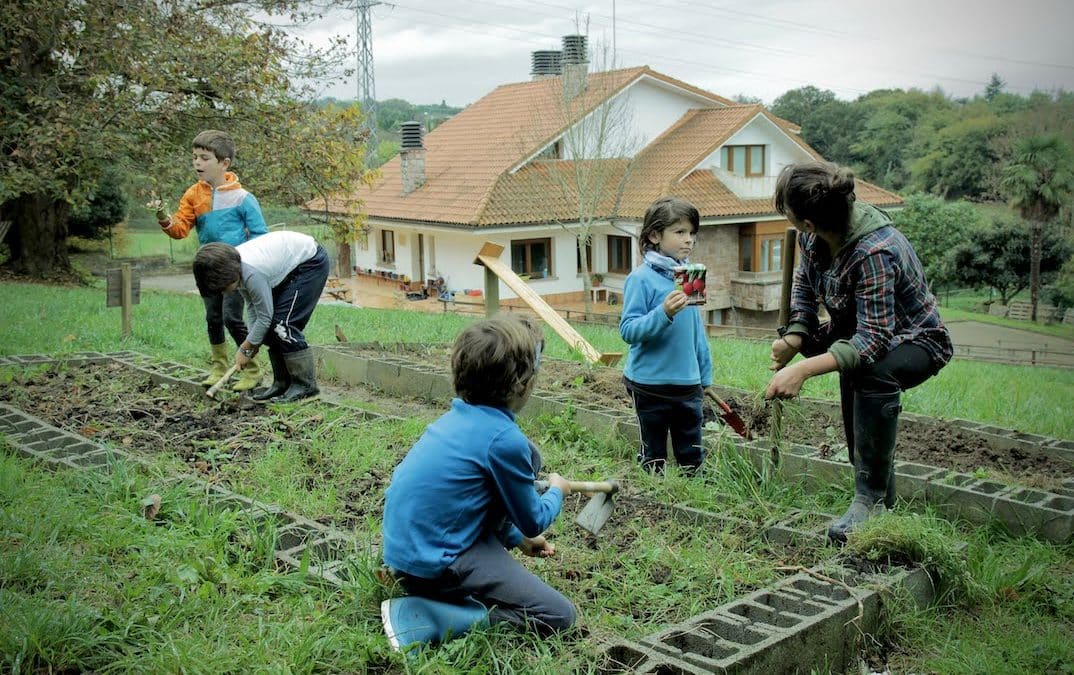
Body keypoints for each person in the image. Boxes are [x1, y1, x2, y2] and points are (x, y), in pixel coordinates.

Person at [765, 161, 952, 543]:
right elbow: (805, 283)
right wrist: (798, 336)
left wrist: (800, 371)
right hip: (859, 333)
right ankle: (882, 504)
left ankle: (869, 498)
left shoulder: (873, 251)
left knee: (869, 370)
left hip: (917, 339)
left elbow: (873, 341)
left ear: (809, 221)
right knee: (855, 371)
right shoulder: (812, 237)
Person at [379, 314, 576, 653]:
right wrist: (558, 491)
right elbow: (533, 519)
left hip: (407, 552)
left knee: (531, 455)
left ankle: (438, 593)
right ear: (522, 384)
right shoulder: (504, 441)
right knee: (558, 615)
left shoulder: (456, 420)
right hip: (435, 562)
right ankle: (433, 616)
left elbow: (479, 505)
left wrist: (516, 540)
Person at [156, 130, 268, 392]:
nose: (197, 163)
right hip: (206, 268)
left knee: (232, 318)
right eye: (195, 157)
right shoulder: (193, 195)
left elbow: (262, 236)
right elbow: (180, 229)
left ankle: (252, 369)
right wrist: (163, 216)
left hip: (233, 271)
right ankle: (218, 366)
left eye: (204, 158)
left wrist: (247, 262)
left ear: (224, 163)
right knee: (213, 318)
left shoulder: (243, 198)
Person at [619, 196, 713, 474]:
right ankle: (655, 497)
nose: (689, 240)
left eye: (692, 233)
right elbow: (629, 330)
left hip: (687, 384)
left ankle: (692, 491)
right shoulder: (640, 279)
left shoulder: (691, 275)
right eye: (680, 232)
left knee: (692, 453)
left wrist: (704, 377)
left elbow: (697, 332)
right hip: (649, 384)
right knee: (654, 455)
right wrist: (663, 313)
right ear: (655, 235)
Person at [192, 231, 329, 403]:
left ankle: (306, 387)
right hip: (289, 266)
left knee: (282, 325)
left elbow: (265, 316)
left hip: (309, 262)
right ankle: (282, 384)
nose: (222, 292)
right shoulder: (234, 267)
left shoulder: (251, 273)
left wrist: (246, 348)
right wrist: (251, 342)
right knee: (269, 329)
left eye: (222, 288)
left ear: (225, 277)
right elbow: (253, 307)